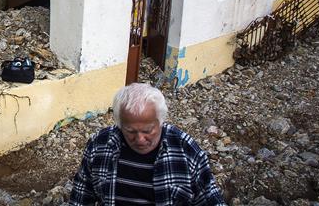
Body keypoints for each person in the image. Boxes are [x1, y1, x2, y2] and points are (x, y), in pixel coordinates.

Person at [69, 83, 225, 205]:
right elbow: (82, 196)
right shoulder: (100, 145)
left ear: (161, 121)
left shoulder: (185, 150)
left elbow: (209, 197)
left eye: (148, 130)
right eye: (130, 131)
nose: (140, 139)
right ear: (119, 123)